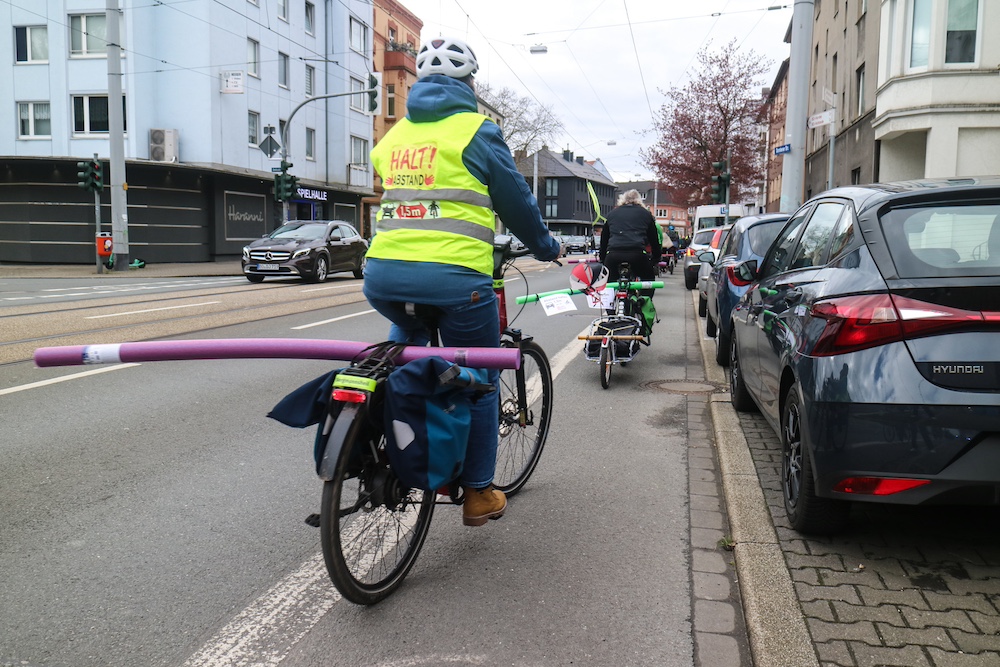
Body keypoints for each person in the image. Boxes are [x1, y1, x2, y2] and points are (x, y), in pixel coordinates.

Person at [364, 36, 561, 527]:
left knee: (398, 363)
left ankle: (384, 443)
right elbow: (516, 203)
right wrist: (547, 248)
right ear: (469, 85)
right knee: (480, 382)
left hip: (383, 278)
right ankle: (477, 492)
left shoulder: (392, 139)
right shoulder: (477, 131)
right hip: (455, 282)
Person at [599, 189, 661, 285]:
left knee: (608, 284)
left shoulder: (612, 214)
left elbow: (604, 239)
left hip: (613, 255)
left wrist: (603, 258)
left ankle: (608, 299)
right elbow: (654, 239)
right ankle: (644, 299)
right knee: (648, 280)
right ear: (639, 200)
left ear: (622, 199)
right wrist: (656, 258)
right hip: (637, 254)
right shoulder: (646, 214)